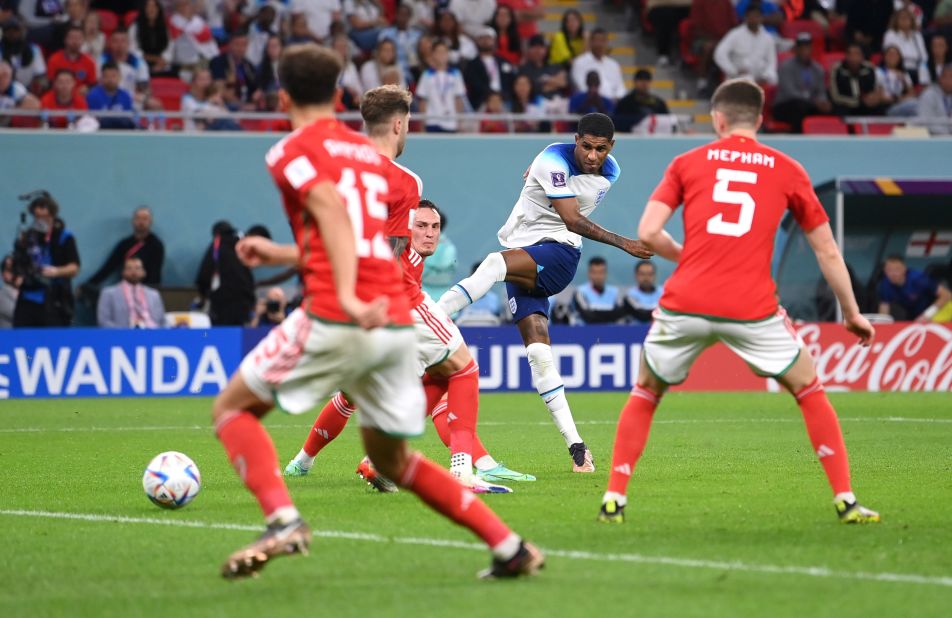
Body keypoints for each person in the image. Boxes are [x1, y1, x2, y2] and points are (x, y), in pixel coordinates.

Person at [213, 44, 543, 580]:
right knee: (392, 462)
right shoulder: (376, 163)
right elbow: (360, 239)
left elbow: (332, 220)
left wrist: (343, 296)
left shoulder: (289, 153)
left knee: (231, 409)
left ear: (282, 97)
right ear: (339, 96)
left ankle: (282, 520)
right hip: (390, 317)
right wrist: (279, 253)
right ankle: (509, 547)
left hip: (336, 309)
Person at [597, 78, 881, 526]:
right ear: (761, 119)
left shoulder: (687, 162)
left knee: (646, 392)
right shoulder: (787, 169)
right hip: (752, 308)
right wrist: (851, 312)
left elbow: (649, 232)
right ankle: (846, 500)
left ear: (718, 119)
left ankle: (614, 498)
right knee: (809, 390)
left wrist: (688, 256)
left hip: (685, 302)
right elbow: (827, 250)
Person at [438, 113, 653, 472]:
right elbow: (564, 195)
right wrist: (625, 242)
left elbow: (571, 220)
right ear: (576, 140)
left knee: (491, 264)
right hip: (526, 260)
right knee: (539, 354)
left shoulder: (597, 170)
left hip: (557, 254)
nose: (593, 156)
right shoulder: (553, 160)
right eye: (586, 146)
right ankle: (578, 449)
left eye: (601, 149)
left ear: (611, 147)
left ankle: (426, 317)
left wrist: (542, 171)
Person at [12, 192, 80, 327]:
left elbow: (74, 268)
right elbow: (17, 263)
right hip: (28, 297)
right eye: (37, 217)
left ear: (52, 215)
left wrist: (56, 271)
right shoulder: (27, 236)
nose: (40, 221)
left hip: (55, 298)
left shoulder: (65, 237)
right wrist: (19, 276)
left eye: (44, 217)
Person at [83, 206, 164, 289]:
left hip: (147, 291)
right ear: (133, 221)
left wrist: (149, 294)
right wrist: (87, 285)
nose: (141, 222)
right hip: (125, 290)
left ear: (151, 221)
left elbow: (155, 274)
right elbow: (108, 267)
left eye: (145, 219)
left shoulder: (156, 245)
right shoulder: (124, 244)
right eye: (138, 218)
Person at [195, 220, 255, 325]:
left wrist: (203, 293)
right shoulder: (240, 245)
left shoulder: (216, 247)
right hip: (244, 301)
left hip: (222, 303)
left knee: (223, 337)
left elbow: (204, 275)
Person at [773, 32, 832, 133]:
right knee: (800, 106)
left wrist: (823, 101)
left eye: (807, 47)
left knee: (831, 108)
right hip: (785, 105)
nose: (804, 51)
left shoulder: (818, 69)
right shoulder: (786, 66)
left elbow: (821, 91)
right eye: (801, 48)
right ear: (796, 49)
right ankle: (799, 138)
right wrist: (813, 102)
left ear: (811, 49)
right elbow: (790, 92)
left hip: (810, 105)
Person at [714, 4, 778, 85]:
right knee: (747, 80)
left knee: (774, 78)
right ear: (745, 18)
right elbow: (719, 54)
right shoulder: (735, 34)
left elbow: (771, 62)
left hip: (761, 76)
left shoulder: (768, 38)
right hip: (740, 75)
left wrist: (766, 75)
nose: (754, 19)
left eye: (757, 16)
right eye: (751, 16)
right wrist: (733, 70)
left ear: (762, 18)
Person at [877, 254, 952, 320]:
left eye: (896, 269)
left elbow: (947, 295)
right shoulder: (885, 284)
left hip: (940, 307)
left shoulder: (918, 278)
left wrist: (927, 315)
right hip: (916, 314)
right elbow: (884, 308)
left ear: (904, 269)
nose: (893, 274)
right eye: (889, 270)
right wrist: (883, 323)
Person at [96, 256, 166, 327]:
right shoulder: (108, 293)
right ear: (123, 272)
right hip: (123, 335)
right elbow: (104, 322)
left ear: (144, 272)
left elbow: (162, 321)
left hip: (152, 333)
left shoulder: (154, 294)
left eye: (137, 268)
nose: (134, 271)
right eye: (129, 268)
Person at [415, 40, 467, 132]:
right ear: (433, 54)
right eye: (438, 52)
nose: (441, 55)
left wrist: (459, 122)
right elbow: (423, 100)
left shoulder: (456, 74)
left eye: (444, 52)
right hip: (432, 121)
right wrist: (422, 124)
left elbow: (458, 99)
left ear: (448, 54)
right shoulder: (427, 74)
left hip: (451, 122)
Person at [688, 0, 737, 94]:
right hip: (703, 38)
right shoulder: (699, 2)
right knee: (708, 47)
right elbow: (696, 28)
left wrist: (727, 40)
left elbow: (733, 24)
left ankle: (732, 81)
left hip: (725, 38)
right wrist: (715, 40)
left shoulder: (726, 2)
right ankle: (702, 81)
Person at [463, 27, 516, 110]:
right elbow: (474, 84)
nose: (485, 41)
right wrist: (491, 97)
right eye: (482, 38)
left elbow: (510, 80)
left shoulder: (504, 62)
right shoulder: (471, 65)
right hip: (482, 102)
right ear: (477, 41)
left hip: (504, 100)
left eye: (488, 38)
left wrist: (502, 96)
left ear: (494, 40)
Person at [830, 43, 886, 116]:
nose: (854, 58)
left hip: (867, 104)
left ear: (862, 56)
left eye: (857, 54)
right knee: (838, 110)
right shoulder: (837, 70)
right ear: (846, 56)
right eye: (850, 55)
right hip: (845, 104)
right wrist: (858, 102)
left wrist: (873, 98)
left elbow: (876, 88)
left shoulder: (869, 68)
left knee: (880, 108)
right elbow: (835, 96)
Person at [571, 28, 626, 101]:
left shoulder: (614, 64)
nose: (600, 44)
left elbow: (621, 88)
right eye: (597, 40)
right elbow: (581, 87)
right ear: (590, 42)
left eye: (603, 41)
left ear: (607, 42)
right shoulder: (579, 62)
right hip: (590, 103)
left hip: (613, 104)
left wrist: (617, 97)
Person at [46, 25, 98, 93]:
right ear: (65, 40)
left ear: (83, 40)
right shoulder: (54, 59)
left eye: (78, 38)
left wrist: (87, 88)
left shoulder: (90, 61)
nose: (75, 41)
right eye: (72, 38)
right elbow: (50, 83)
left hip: (81, 98)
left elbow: (92, 84)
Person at [378, 3, 422, 83]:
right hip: (390, 70)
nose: (402, 18)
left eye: (405, 15)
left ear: (409, 17)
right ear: (396, 15)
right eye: (400, 14)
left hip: (412, 72)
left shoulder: (417, 36)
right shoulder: (385, 34)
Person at [85, 60, 136, 129]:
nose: (110, 79)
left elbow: (128, 119)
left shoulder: (126, 96)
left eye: (113, 76)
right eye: (107, 76)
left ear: (119, 77)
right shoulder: (93, 96)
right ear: (101, 78)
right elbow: (92, 120)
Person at [572, 256, 622, 324]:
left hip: (610, 333)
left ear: (606, 274)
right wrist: (611, 315)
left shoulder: (614, 292)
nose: (598, 276)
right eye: (594, 272)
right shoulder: (580, 292)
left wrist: (595, 313)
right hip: (585, 333)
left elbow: (620, 315)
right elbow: (588, 316)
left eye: (601, 272)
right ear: (589, 273)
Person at [882, 7, 927, 83]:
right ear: (896, 20)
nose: (904, 20)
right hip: (899, 68)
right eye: (901, 18)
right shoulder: (890, 34)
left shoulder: (917, 35)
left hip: (917, 69)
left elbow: (924, 56)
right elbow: (889, 55)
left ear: (911, 20)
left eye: (907, 17)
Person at [518, 34, 568, 101]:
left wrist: (546, 80)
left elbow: (565, 82)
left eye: (541, 47)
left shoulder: (555, 66)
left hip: (558, 105)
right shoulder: (524, 69)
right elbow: (533, 90)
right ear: (529, 49)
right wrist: (555, 83)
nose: (538, 51)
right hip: (535, 106)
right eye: (535, 47)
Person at [1, 19, 47, 91]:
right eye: (9, 31)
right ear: (4, 33)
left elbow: (40, 74)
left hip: (28, 88)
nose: (12, 34)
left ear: (21, 32)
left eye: (16, 30)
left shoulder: (34, 49)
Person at [129, 0, 172, 75]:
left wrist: (163, 61)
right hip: (141, 63)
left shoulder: (165, 28)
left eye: (154, 7)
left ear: (158, 9)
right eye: (148, 7)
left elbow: (170, 47)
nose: (151, 9)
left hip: (161, 64)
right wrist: (150, 58)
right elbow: (132, 49)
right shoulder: (135, 27)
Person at [646, 0, 692, 67]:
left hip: (685, 6)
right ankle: (663, 53)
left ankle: (686, 55)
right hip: (660, 6)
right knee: (665, 16)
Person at [877, 45, 919, 116]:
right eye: (890, 54)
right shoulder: (878, 72)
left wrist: (904, 81)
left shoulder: (904, 73)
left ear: (899, 58)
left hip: (902, 104)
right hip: (887, 107)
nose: (892, 57)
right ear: (884, 57)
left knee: (916, 104)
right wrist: (899, 99)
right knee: (914, 105)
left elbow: (912, 94)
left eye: (895, 55)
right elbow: (880, 97)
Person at [0, 59, 40, 126]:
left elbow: (34, 104)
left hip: (9, 122)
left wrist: (15, 109)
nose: (2, 79)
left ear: (11, 77)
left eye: (5, 76)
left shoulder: (17, 88)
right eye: (0, 76)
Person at [917, 63, 952, 134]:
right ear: (939, 79)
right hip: (934, 138)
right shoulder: (929, 95)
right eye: (945, 77)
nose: (948, 81)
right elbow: (925, 122)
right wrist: (947, 134)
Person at [0, 254, 20, 328]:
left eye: (16, 269)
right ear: (2, 274)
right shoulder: (1, 295)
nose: (14, 273)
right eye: (9, 270)